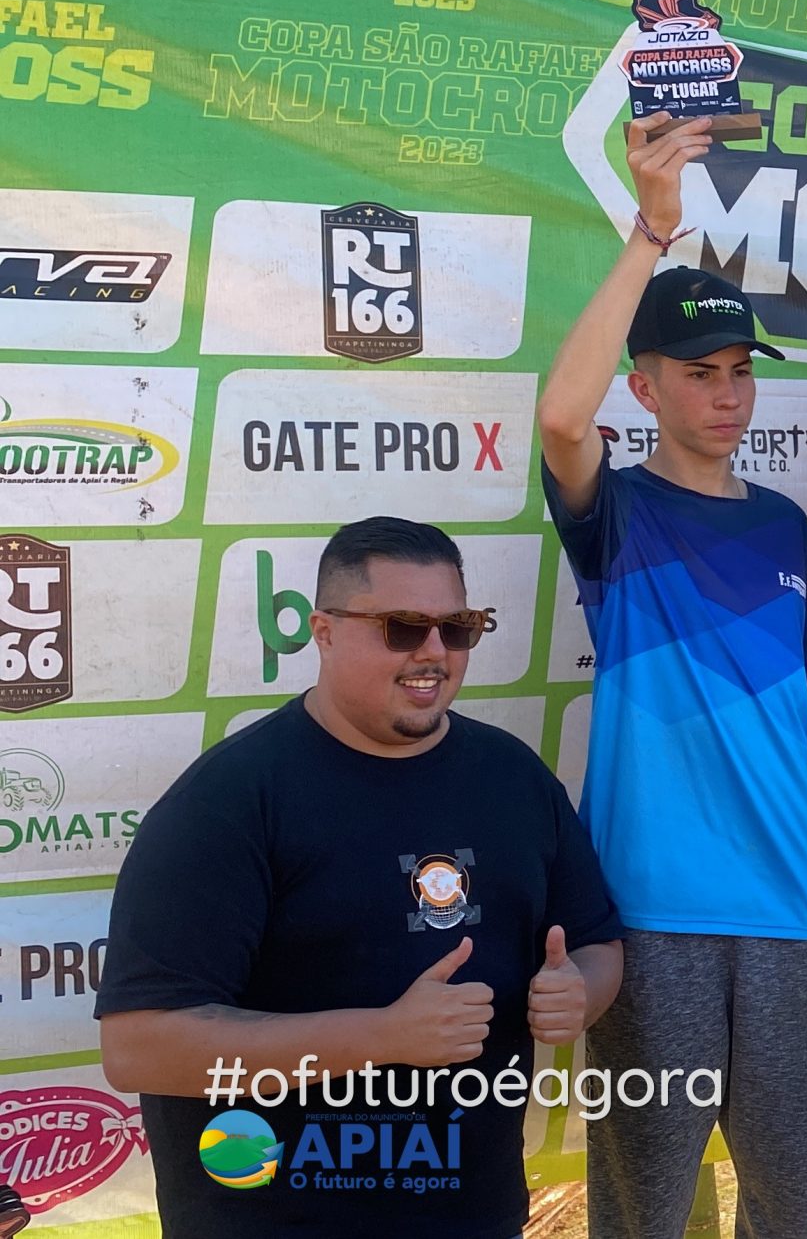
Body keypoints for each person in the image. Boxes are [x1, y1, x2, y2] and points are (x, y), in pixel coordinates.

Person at [534, 113, 807, 1236]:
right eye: (701, 373)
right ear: (646, 388)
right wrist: (651, 229)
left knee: (790, 1205)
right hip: (651, 913)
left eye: (740, 372)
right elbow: (555, 415)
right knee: (645, 1205)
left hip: (793, 907)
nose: (729, 394)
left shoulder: (786, 527)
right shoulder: (619, 514)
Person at [97, 518, 623, 1239]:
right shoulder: (229, 802)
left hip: (476, 1215)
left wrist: (580, 994)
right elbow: (140, 1047)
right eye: (403, 627)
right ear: (324, 630)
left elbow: (596, 943)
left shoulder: (514, 777)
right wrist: (380, 1037)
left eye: (457, 626)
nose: (433, 652)